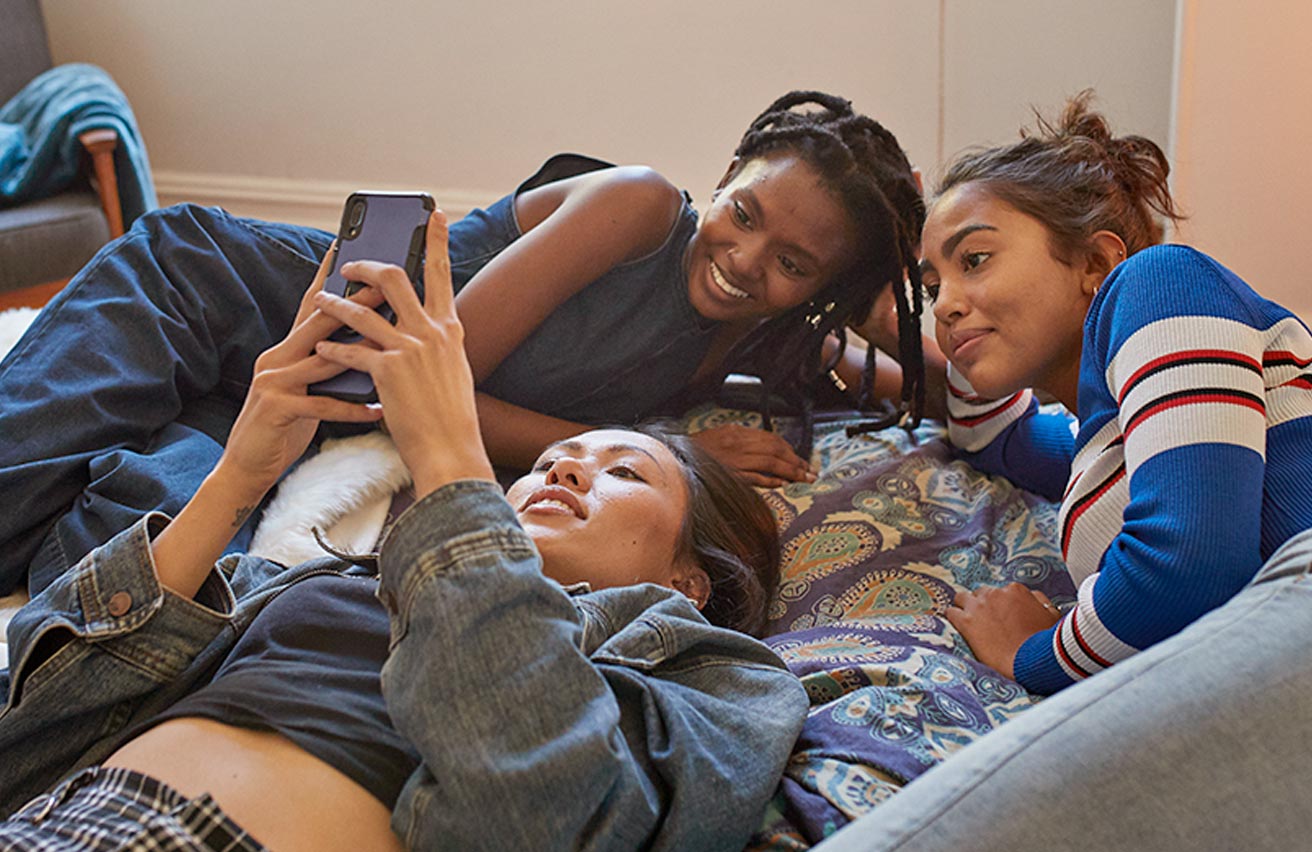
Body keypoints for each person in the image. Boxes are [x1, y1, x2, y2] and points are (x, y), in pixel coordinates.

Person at [0, 212, 809, 851]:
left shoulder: (716, 677)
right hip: (52, 826)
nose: (561, 471)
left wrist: (456, 464)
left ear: (688, 581)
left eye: (624, 473)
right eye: (552, 459)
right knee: (162, 466)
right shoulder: (329, 580)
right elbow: (33, 726)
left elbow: (543, 818)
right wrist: (236, 482)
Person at [0, 89, 930, 598]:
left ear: (823, 293)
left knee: (110, 580)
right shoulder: (640, 206)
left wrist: (888, 290)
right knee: (11, 485)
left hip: (298, 405)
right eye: (744, 213)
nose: (743, 259)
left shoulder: (761, 341)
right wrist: (675, 452)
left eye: (793, 263)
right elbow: (426, 389)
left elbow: (925, 378)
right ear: (724, 177)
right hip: (215, 298)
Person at [918, 92, 1312, 695]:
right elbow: (993, 438)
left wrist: (1032, 652)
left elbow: (1191, 568)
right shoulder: (1101, 444)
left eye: (974, 259)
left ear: (1096, 262)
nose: (943, 303)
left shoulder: (1163, 282)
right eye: (930, 287)